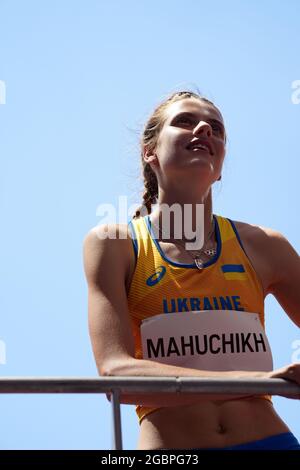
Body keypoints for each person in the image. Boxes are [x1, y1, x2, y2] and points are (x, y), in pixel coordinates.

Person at [83, 90, 300, 450]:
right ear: (149, 151)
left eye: (216, 128)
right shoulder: (114, 244)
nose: (204, 130)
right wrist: (259, 380)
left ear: (220, 164)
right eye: (185, 121)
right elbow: (116, 373)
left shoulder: (265, 244)